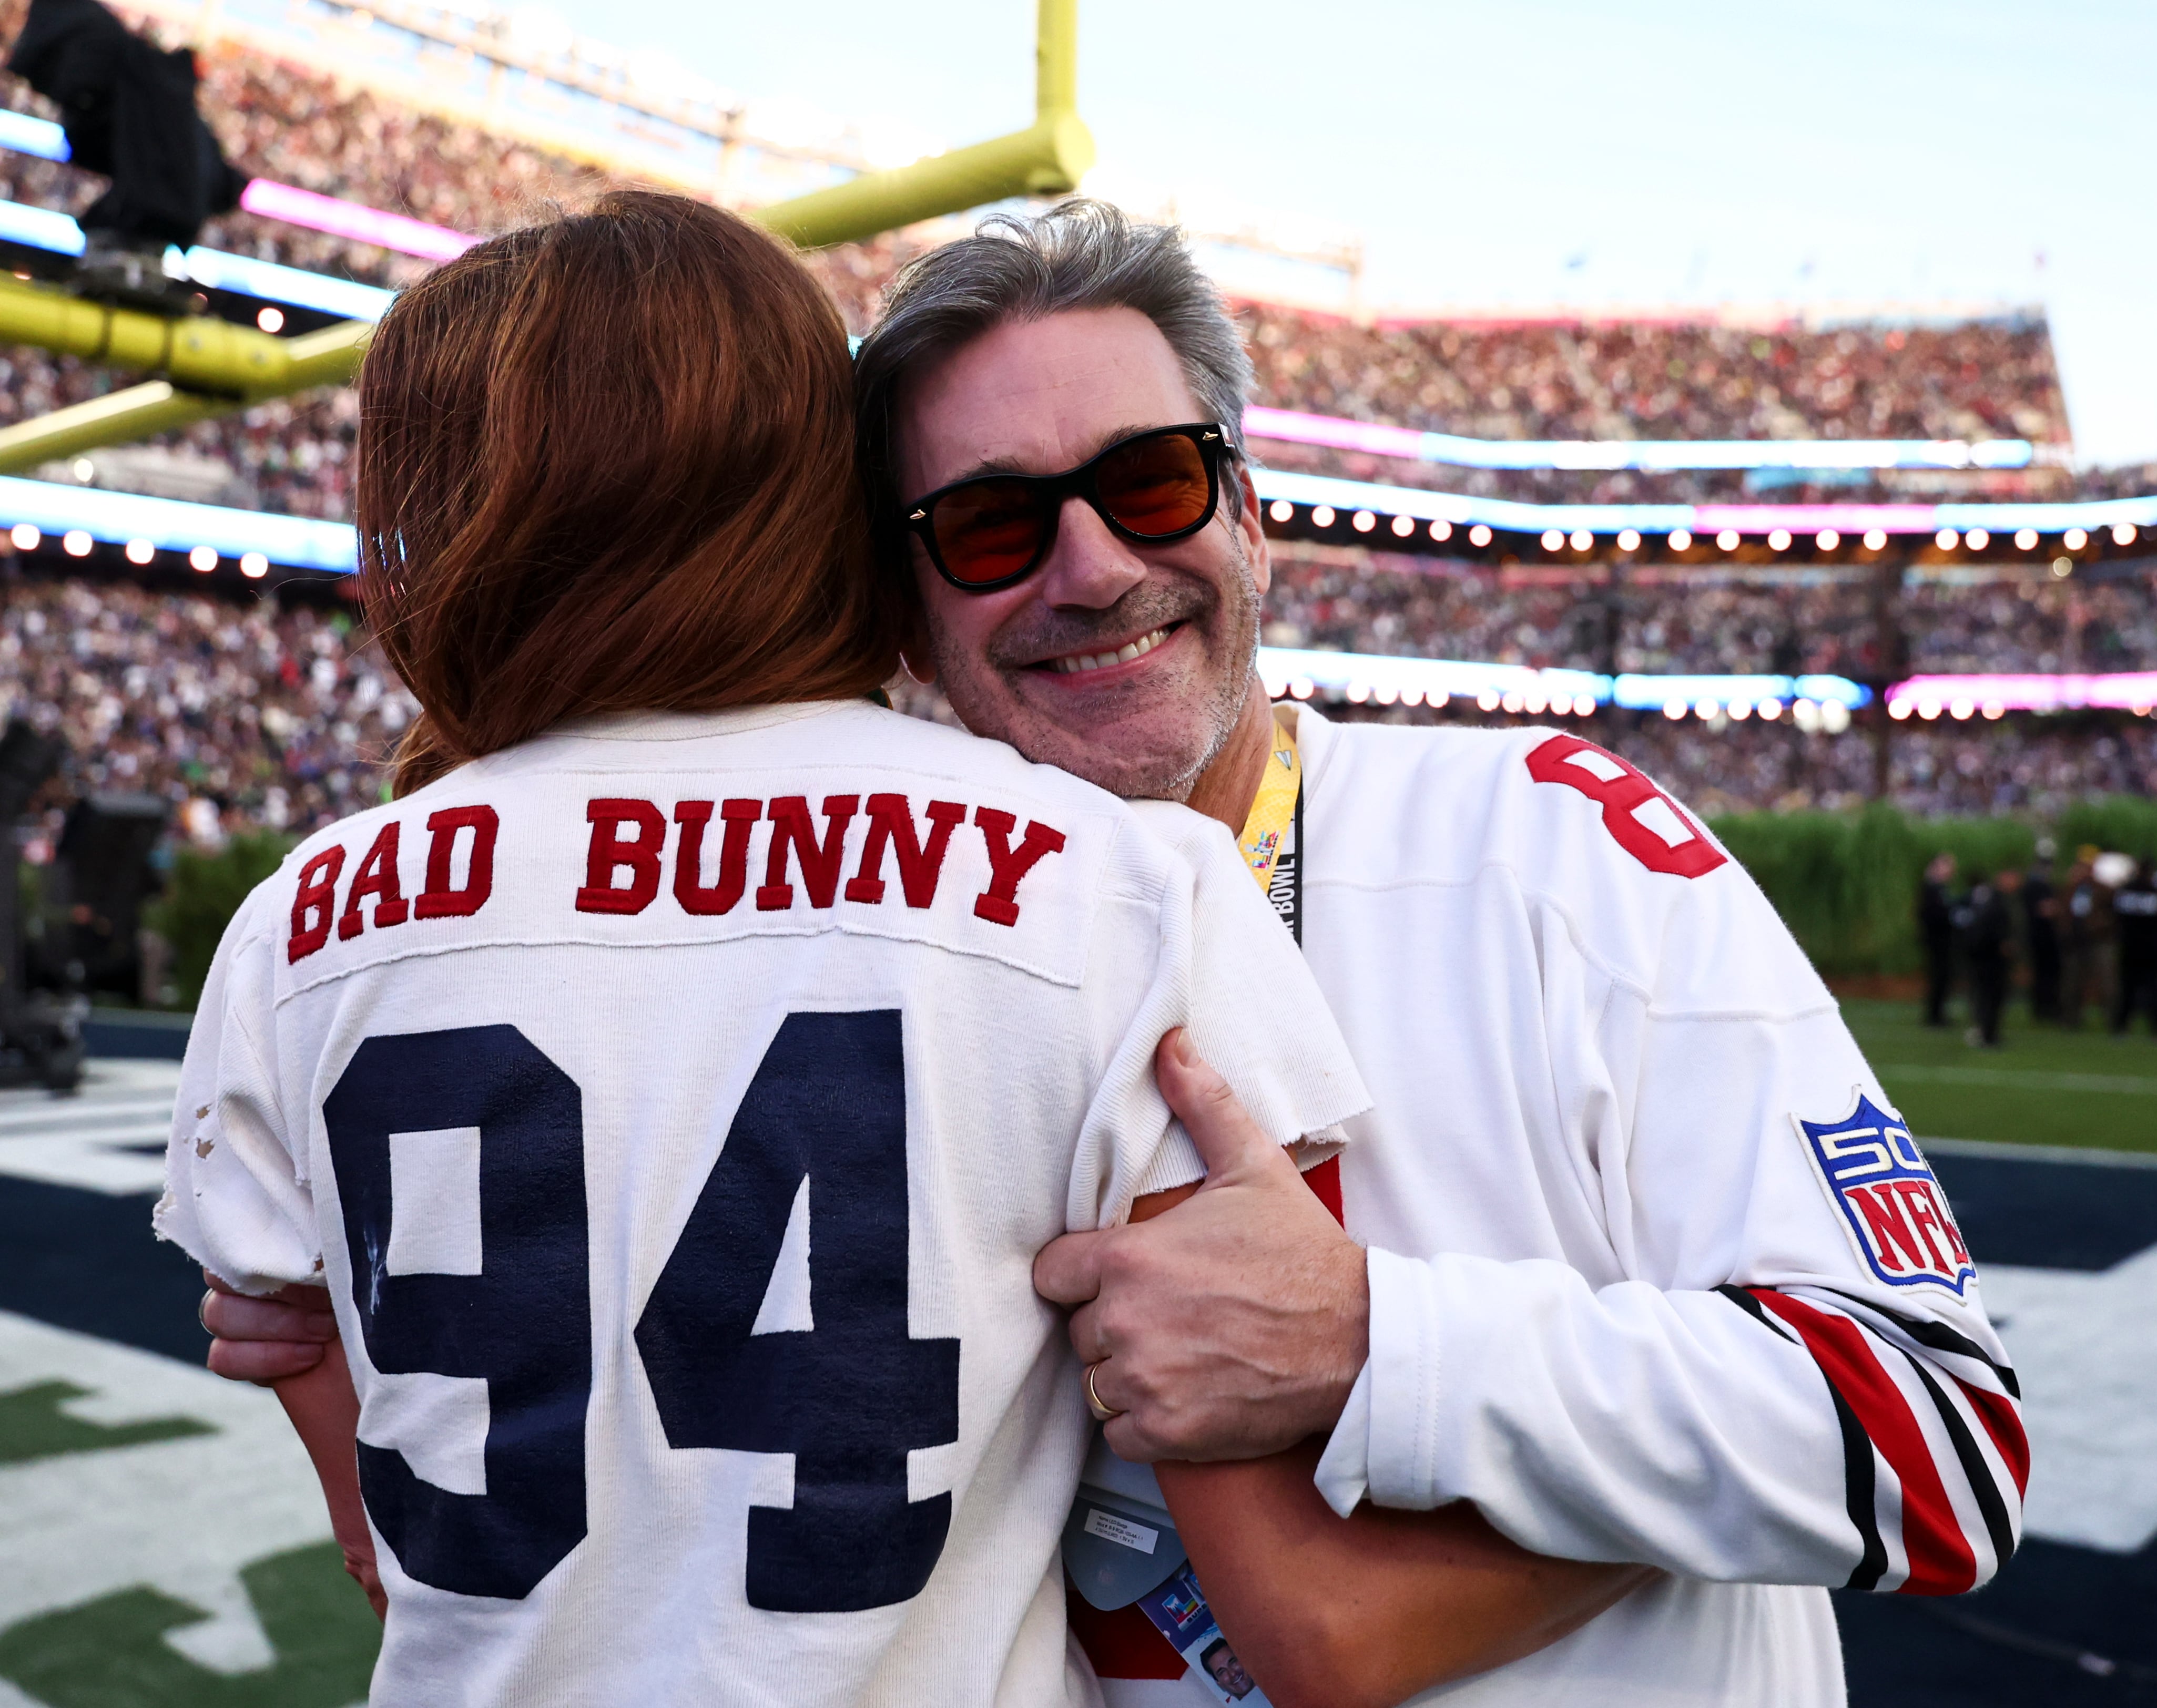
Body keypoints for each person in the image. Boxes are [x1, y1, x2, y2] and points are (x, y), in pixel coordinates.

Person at [213, 201, 2026, 1708]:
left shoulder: (1549, 838)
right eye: (988, 523)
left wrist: (1380, 1336)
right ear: (892, 597)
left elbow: (1942, 1436)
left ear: (1249, 509)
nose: (1085, 564)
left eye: (1150, 482)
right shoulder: (1040, 908)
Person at [161, 192, 1369, 1708]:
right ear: (816, 481)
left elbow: (383, 1539)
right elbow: (1303, 1614)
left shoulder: (299, 922)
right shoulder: (1128, 885)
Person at [1955, 868, 2013, 1047]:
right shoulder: (1993, 901)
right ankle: (1987, 1033)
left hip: (1985, 955)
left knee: (1988, 996)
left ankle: (1987, 1031)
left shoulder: (1995, 900)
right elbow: (1986, 929)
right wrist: (2001, 944)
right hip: (1988, 957)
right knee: (1988, 996)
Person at [2113, 866, 2157, 1037]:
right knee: (2153, 988)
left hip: (2131, 946)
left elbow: (2118, 917)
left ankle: (2122, 1026)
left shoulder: (2126, 892)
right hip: (2152, 947)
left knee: (2128, 989)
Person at [1917, 850, 1957, 1027]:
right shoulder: (1932, 889)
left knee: (1942, 977)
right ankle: (1935, 1015)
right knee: (1939, 976)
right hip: (1937, 941)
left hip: (1942, 940)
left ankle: (1938, 1013)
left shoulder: (1939, 889)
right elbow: (1932, 915)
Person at [2023, 840, 2062, 1022]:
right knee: (2045, 973)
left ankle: (2044, 1007)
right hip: (2042, 935)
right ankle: (2045, 1008)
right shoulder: (2037, 884)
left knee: (2045, 973)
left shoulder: (2035, 882)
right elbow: (2045, 910)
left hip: (2040, 935)